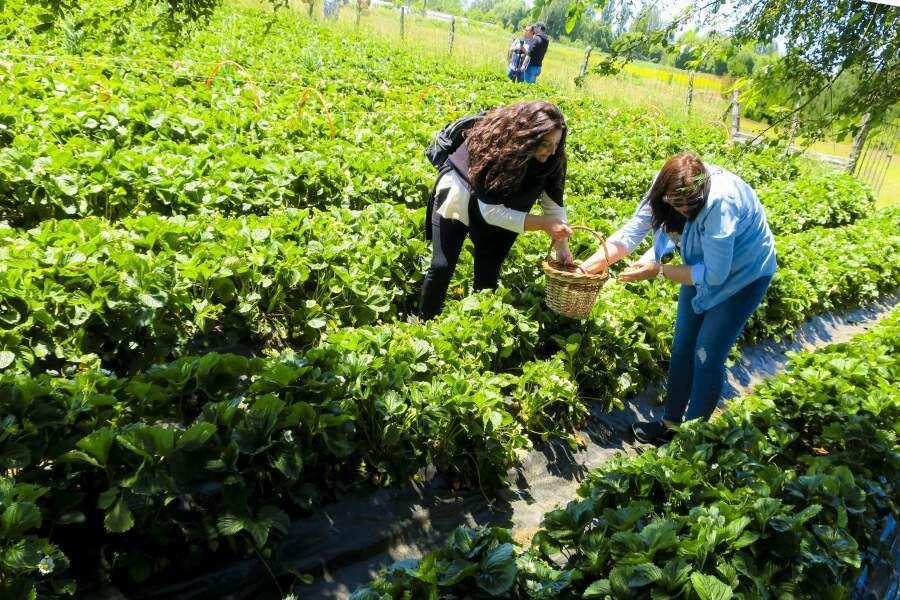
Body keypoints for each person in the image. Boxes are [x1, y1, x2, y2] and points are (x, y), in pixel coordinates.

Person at [578, 152, 777, 444]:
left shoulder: (720, 203)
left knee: (707, 353)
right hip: (699, 266)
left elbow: (715, 275)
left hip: (743, 274)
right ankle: (670, 425)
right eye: (676, 203)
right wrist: (589, 266)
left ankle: (689, 441)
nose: (683, 209)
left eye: (691, 204)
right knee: (683, 347)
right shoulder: (665, 188)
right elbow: (632, 233)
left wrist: (659, 270)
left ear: (703, 191)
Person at [420, 101, 574, 320]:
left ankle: (479, 326)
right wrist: (542, 224)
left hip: (504, 203)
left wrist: (563, 249)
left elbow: (553, 205)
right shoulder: (496, 149)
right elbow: (490, 212)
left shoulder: (553, 160)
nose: (551, 151)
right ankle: (424, 322)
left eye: (556, 144)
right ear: (527, 138)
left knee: (489, 271)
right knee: (442, 265)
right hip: (460, 188)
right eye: (545, 144)